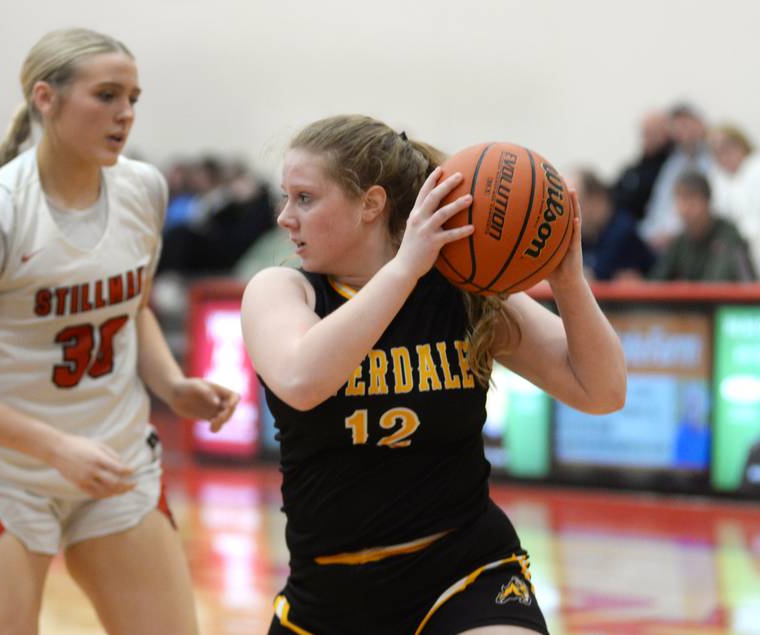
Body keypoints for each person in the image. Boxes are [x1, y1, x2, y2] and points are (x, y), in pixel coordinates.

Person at [241, 115, 627, 634]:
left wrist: (568, 281)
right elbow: (301, 380)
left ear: (371, 205)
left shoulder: (463, 290)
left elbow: (601, 391)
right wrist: (404, 268)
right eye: (285, 198)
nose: (286, 217)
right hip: (331, 594)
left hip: (464, 573)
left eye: (304, 198)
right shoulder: (282, 291)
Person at [0, 28, 239, 635]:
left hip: (116, 461)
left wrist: (171, 384)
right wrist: (54, 447)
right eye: (107, 96)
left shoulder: (144, 189)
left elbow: (131, 307)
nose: (126, 114)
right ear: (45, 98)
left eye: (133, 98)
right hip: (2, 476)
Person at [650, 170, 757, 282]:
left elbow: (747, 286)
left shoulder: (729, 237)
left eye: (692, 199)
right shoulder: (680, 242)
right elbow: (657, 282)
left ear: (707, 201)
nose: (686, 209)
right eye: (680, 200)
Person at [639, 103, 714, 251]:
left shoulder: (713, 159)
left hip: (699, 236)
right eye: (678, 129)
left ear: (700, 124)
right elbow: (657, 206)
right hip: (663, 241)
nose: (684, 134)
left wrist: (674, 234)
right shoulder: (672, 164)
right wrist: (651, 234)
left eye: (687, 126)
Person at [569, 167, 655, 281]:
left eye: (576, 202)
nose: (571, 211)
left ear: (597, 198)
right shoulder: (587, 232)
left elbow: (596, 276)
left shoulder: (622, 229)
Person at [708, 124, 760, 273]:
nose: (722, 155)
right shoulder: (717, 177)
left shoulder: (756, 168)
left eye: (726, 148)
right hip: (731, 245)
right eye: (715, 151)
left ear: (741, 145)